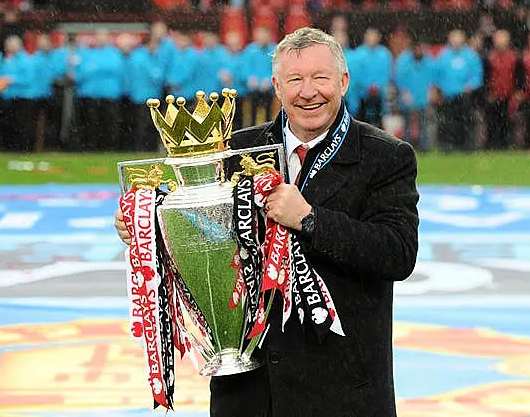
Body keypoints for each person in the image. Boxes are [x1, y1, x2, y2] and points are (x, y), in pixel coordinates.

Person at [113, 27, 419, 417]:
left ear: (343, 81)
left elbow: (397, 253)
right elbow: (200, 233)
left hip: (342, 390)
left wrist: (310, 220)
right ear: (277, 86)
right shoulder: (234, 150)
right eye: (295, 80)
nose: (308, 92)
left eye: (320, 78)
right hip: (249, 391)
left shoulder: (386, 156)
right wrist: (145, 227)